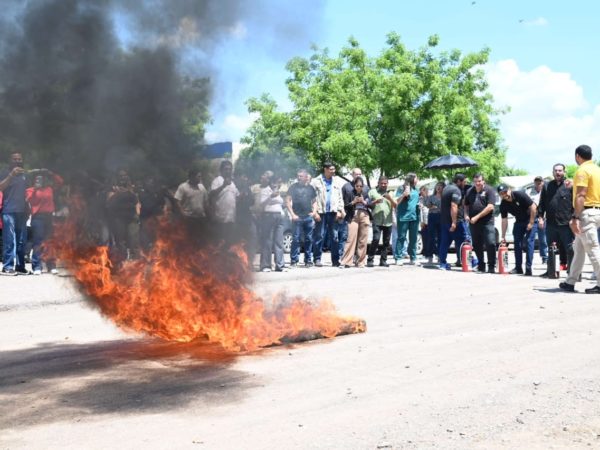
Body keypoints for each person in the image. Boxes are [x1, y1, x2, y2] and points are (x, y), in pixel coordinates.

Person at [559, 145, 600, 293]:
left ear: (577, 156)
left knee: (593, 250)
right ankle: (570, 281)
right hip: (596, 211)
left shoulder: (582, 170)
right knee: (579, 249)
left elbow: (581, 195)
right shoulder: (596, 169)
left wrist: (575, 217)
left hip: (586, 214)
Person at [25, 169, 63, 275]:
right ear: (34, 180)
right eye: (37, 179)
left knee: (49, 241)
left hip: (49, 217)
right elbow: (29, 200)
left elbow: (60, 182)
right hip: (38, 217)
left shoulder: (49, 189)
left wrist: (51, 173)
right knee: (38, 241)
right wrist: (35, 189)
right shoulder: (30, 190)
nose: (40, 181)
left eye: (41, 179)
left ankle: (51, 265)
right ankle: (37, 266)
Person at [538, 164, 574, 275]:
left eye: (560, 170)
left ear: (564, 172)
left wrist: (574, 218)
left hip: (566, 223)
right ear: (553, 172)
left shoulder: (569, 185)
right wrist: (540, 217)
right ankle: (550, 271)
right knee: (551, 248)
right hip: (551, 224)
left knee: (570, 248)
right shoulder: (547, 186)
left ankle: (572, 272)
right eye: (556, 170)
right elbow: (542, 203)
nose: (558, 172)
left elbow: (575, 203)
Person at [0, 152, 29, 275]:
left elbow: (28, 192)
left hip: (22, 211)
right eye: (15, 159)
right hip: (9, 211)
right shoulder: (5, 173)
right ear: (10, 161)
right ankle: (7, 266)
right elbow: (1, 187)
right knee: (10, 240)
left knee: (22, 241)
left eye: (19, 159)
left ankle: (20, 267)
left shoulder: (24, 175)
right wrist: (11, 175)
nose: (17, 161)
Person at [311, 161, 345, 267]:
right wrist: (314, 212)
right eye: (331, 169)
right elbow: (311, 198)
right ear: (325, 169)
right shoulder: (315, 181)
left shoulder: (336, 181)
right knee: (319, 236)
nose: (333, 171)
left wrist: (340, 210)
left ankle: (335, 260)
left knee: (334, 236)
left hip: (333, 213)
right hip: (321, 212)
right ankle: (317, 259)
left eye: (334, 169)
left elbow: (340, 198)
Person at [498, 184, 537, 276]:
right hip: (519, 221)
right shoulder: (503, 204)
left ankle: (528, 268)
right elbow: (504, 220)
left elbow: (533, 207)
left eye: (505, 192)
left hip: (530, 218)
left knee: (529, 241)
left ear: (509, 190)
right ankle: (518, 268)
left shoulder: (519, 195)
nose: (504, 195)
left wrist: (531, 223)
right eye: (501, 193)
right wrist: (503, 236)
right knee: (517, 243)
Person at [106, 169, 140, 264]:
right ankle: (122, 260)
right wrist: (117, 193)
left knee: (133, 238)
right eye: (121, 176)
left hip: (132, 217)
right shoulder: (113, 189)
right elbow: (109, 203)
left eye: (125, 175)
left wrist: (137, 214)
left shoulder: (132, 189)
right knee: (120, 240)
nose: (123, 178)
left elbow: (137, 201)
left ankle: (136, 261)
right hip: (119, 218)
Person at [464, 173, 497, 273]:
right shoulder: (470, 191)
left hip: (487, 222)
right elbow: (466, 205)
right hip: (474, 223)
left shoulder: (489, 190)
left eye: (479, 181)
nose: (477, 183)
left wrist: (477, 217)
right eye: (475, 181)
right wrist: (466, 215)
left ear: (483, 181)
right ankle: (481, 265)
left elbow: (490, 207)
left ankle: (491, 266)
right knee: (477, 244)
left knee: (490, 243)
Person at [286, 169, 317, 268]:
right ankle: (294, 260)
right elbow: (287, 201)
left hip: (308, 217)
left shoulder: (311, 188)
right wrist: (292, 214)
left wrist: (314, 212)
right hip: (297, 217)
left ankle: (308, 260)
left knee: (309, 239)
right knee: (296, 239)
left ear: (306, 177)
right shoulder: (293, 187)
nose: (299, 178)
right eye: (298, 176)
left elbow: (314, 201)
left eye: (301, 176)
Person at [438, 174, 467, 270]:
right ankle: (470, 261)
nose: (465, 183)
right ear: (459, 181)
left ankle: (442, 263)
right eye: (464, 182)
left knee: (445, 243)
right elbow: (453, 206)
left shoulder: (446, 188)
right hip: (455, 222)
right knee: (463, 242)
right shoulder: (456, 190)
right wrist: (454, 222)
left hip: (444, 221)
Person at [340, 177, 371, 268]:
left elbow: (371, 205)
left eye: (361, 186)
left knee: (363, 240)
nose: (359, 187)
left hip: (364, 215)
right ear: (354, 186)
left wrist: (364, 202)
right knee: (351, 239)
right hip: (353, 216)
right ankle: (346, 261)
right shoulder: (350, 193)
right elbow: (346, 206)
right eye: (357, 186)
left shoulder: (366, 192)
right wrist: (353, 202)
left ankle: (360, 261)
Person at [259, 174, 286, 272]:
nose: (276, 185)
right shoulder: (265, 190)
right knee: (267, 241)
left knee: (279, 242)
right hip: (268, 216)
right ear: (270, 182)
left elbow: (280, 204)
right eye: (275, 182)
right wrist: (270, 196)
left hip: (279, 217)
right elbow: (262, 204)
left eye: (278, 183)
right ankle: (265, 265)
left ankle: (280, 265)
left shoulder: (278, 192)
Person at [367, 176, 395, 267]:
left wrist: (389, 198)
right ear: (378, 183)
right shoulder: (372, 192)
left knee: (386, 242)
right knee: (376, 239)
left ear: (387, 184)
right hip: (377, 220)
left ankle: (383, 261)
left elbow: (396, 205)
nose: (383, 185)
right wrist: (375, 201)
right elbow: (367, 204)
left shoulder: (391, 193)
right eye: (381, 183)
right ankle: (370, 260)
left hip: (388, 221)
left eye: (385, 183)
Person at [209, 160, 239, 246]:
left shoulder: (232, 183)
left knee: (228, 244)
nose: (228, 171)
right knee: (219, 244)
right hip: (220, 218)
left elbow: (236, 196)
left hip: (231, 218)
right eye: (226, 169)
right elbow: (211, 194)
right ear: (221, 170)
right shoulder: (217, 180)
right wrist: (223, 185)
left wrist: (243, 195)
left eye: (230, 169)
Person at [394, 173, 420, 265]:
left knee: (413, 238)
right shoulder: (401, 188)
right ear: (411, 179)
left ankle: (413, 257)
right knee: (401, 237)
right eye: (416, 178)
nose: (417, 180)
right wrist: (404, 194)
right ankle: (398, 257)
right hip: (403, 217)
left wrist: (419, 205)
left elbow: (416, 201)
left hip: (414, 217)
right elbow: (396, 202)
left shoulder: (416, 189)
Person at [138, 175, 168, 251]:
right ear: (145, 184)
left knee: (156, 237)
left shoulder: (157, 193)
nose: (150, 184)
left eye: (151, 183)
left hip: (155, 219)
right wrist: (156, 197)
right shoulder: (142, 193)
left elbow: (162, 203)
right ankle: (146, 253)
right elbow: (147, 205)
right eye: (148, 183)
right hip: (145, 219)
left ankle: (155, 253)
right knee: (145, 238)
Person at [340, 168, 363, 261]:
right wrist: (342, 212)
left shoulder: (365, 187)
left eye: (360, 174)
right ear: (352, 175)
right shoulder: (346, 187)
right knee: (348, 238)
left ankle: (357, 258)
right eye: (356, 174)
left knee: (360, 238)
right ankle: (344, 258)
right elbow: (341, 201)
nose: (358, 176)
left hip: (361, 216)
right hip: (349, 216)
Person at [528, 176, 548, 265]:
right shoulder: (529, 192)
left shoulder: (546, 191)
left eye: (540, 182)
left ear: (543, 183)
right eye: (536, 182)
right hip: (532, 217)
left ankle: (545, 257)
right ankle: (529, 258)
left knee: (543, 239)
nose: (538, 184)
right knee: (530, 239)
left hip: (543, 217)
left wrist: (542, 218)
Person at [424, 182, 444, 264]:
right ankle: (430, 255)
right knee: (431, 236)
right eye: (437, 186)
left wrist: (435, 207)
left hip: (441, 217)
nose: (438, 188)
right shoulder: (431, 197)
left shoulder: (445, 197)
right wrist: (431, 206)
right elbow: (427, 204)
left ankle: (439, 255)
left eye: (440, 186)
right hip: (432, 216)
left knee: (440, 237)